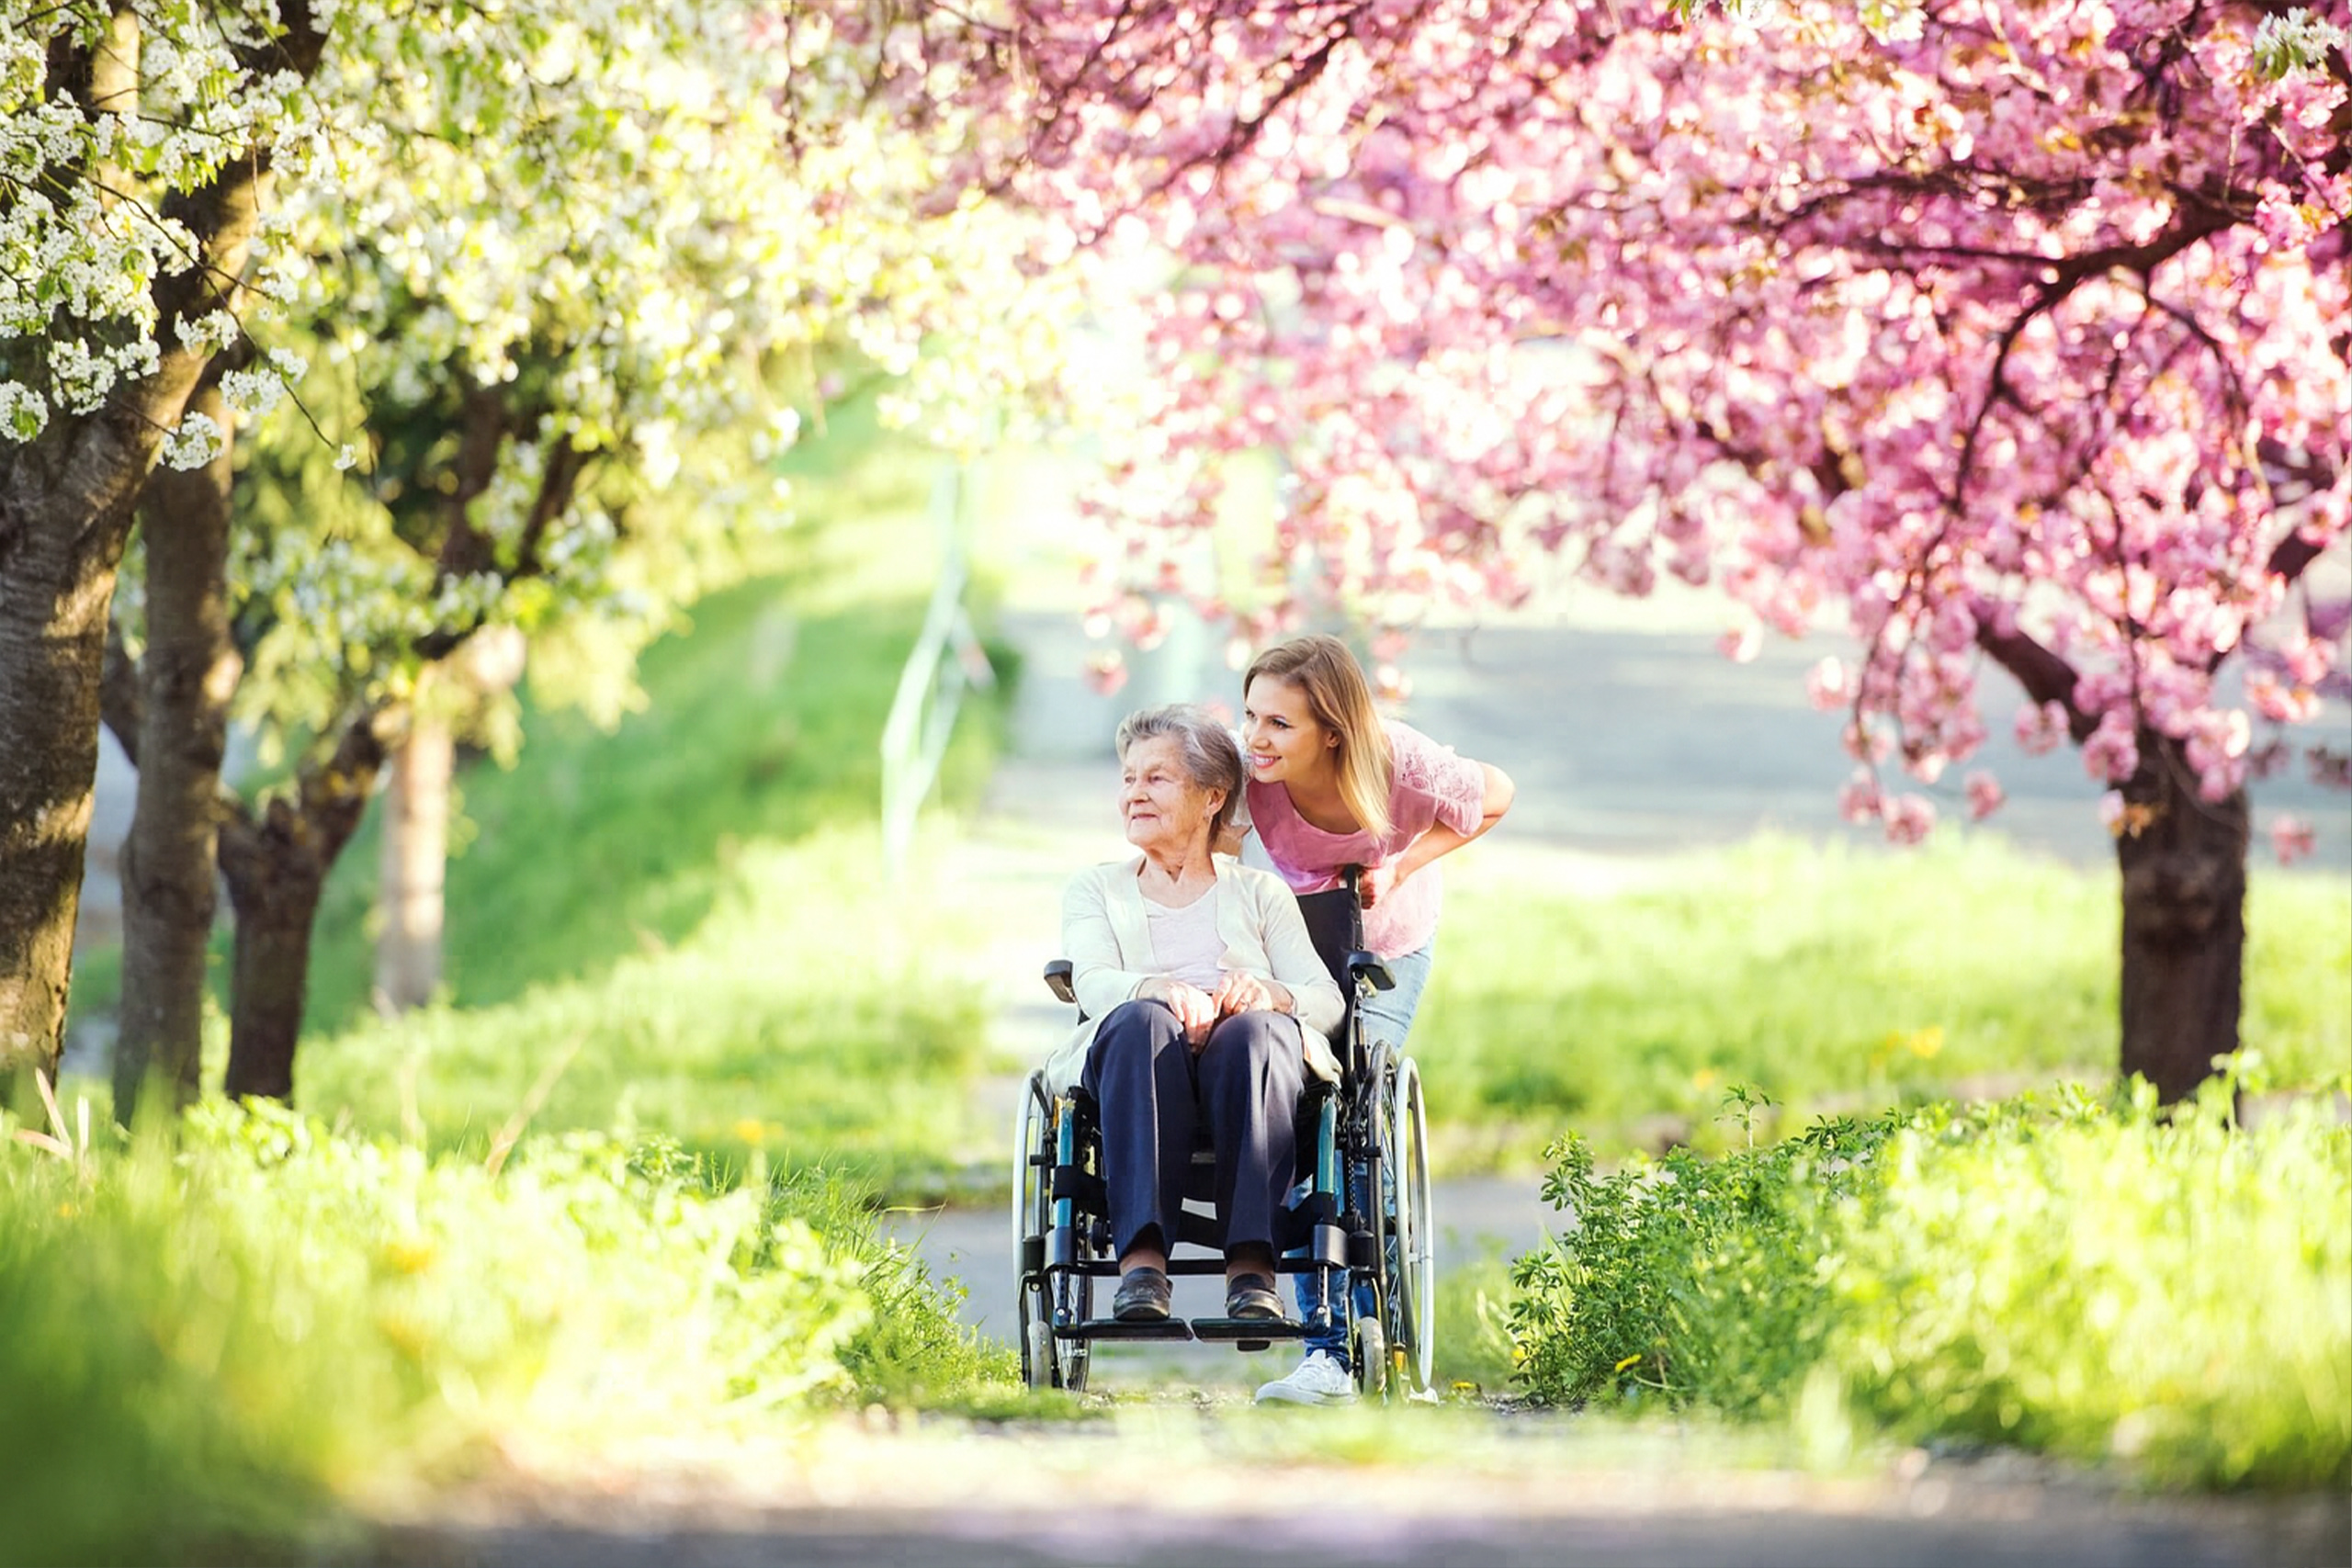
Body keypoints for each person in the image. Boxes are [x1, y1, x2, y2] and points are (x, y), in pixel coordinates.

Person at [1235, 633, 1515, 1404]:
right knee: (1293, 1111)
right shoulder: (1246, 769)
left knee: (1350, 1122)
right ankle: (1326, 1353)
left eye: (1279, 723)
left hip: (1384, 946)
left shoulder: (1401, 762)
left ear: (1332, 730)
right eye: (1251, 715)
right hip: (1295, 950)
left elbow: (1498, 793)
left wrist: (1402, 864)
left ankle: (1373, 1339)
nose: (1257, 736)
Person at [1049, 704, 1347, 1328]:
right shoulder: (1096, 888)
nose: (1134, 793)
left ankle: (1252, 1271)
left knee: (1257, 1032)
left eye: (1156, 778)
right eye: (1128, 778)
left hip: (1247, 1070)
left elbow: (1326, 998)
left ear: (1212, 797)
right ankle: (1142, 1268)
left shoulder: (1260, 893)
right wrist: (1156, 988)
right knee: (1141, 1022)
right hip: (1136, 1064)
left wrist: (1270, 993)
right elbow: (1094, 981)